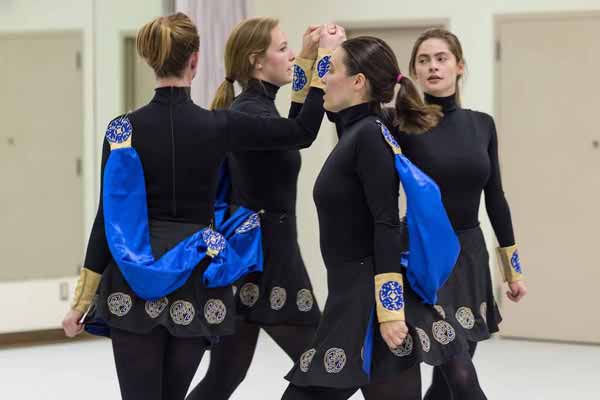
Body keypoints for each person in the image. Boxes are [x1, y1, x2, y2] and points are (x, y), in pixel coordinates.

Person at [61, 12, 344, 400]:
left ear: (150, 60)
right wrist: (321, 61)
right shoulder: (219, 125)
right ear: (195, 61)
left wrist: (81, 300)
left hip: (131, 276)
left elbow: (106, 220)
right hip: (195, 275)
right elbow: (301, 131)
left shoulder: (120, 129)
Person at [281, 36, 464, 400]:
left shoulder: (369, 135)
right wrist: (312, 56)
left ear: (358, 82)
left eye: (330, 70)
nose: (324, 78)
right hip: (349, 294)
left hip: (368, 299)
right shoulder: (354, 128)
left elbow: (386, 223)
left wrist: (392, 310)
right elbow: (299, 123)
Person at [186, 19, 335, 400]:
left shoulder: (258, 108)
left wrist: (304, 57)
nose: (288, 56)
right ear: (257, 61)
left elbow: (295, 122)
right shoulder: (249, 112)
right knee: (324, 367)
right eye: (282, 49)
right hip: (268, 257)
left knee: (225, 376)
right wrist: (324, 60)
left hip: (261, 253)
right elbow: (303, 132)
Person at [401, 28, 528, 400]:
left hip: (470, 256)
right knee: (460, 376)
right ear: (414, 72)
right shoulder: (402, 125)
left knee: (446, 382)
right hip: (426, 259)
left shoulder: (481, 124)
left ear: (459, 66)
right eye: (423, 61)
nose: (433, 67)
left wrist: (513, 270)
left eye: (441, 58)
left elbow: (496, 198)